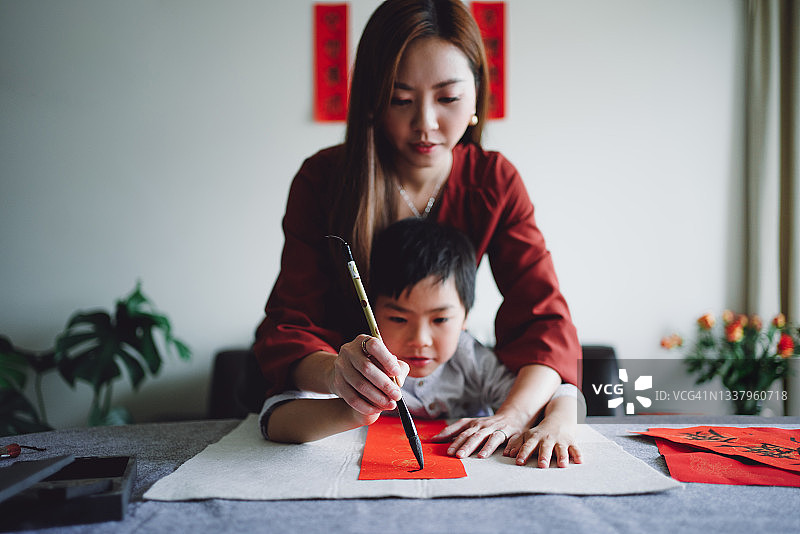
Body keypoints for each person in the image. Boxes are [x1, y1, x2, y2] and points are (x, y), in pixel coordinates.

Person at [253, 0, 581, 461]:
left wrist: (513, 417)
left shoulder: (494, 181)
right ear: (370, 97)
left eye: (447, 98)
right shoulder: (323, 180)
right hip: (333, 410)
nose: (425, 123)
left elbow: (544, 322)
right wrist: (338, 376)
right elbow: (290, 324)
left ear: (476, 96)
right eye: (400, 99)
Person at [262, 219, 584, 468]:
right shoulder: (358, 363)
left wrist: (559, 421)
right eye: (399, 319)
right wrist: (351, 411)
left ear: (466, 317)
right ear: (371, 310)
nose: (420, 340)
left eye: (441, 320)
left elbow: (559, 390)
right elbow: (274, 419)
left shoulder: (469, 358)